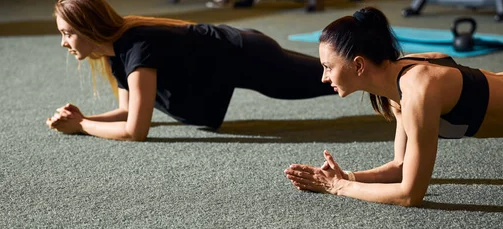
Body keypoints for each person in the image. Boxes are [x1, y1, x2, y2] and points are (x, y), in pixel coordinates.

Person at [284, 6, 503, 207]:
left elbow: (410, 194)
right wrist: (346, 176)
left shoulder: (418, 91)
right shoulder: (396, 87)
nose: (324, 77)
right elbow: (400, 168)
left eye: (327, 67)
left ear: (358, 64)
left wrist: (338, 187)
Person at [46, 0, 335, 141]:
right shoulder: (114, 51)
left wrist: (82, 127)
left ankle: (376, 69)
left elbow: (136, 130)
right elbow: (126, 111)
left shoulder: (136, 47)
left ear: (90, 29)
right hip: (238, 55)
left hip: (251, 56)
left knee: (335, 78)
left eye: (68, 33)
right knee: (333, 77)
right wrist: (82, 118)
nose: (63, 43)